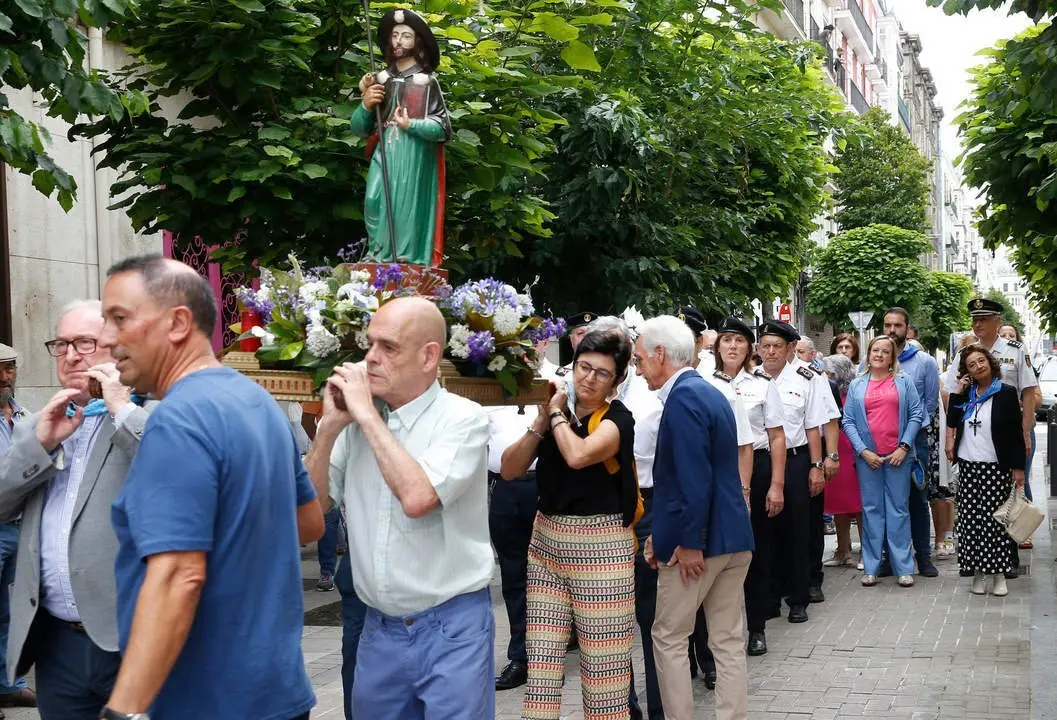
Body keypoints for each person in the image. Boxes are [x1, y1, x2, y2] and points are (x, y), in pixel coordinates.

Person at [100, 255, 324, 720]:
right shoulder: (256, 401)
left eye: (119, 318)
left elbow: (179, 574)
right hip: (275, 692)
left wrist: (123, 711)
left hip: (205, 700)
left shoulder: (178, 420)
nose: (107, 339)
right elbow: (309, 522)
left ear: (178, 322)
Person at [305, 296, 494, 719]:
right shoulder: (353, 424)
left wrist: (366, 418)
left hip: (452, 627)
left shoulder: (463, 418)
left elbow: (418, 498)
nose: (371, 359)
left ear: (429, 356)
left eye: (388, 348)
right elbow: (310, 518)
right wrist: (330, 427)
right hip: (379, 627)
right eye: (370, 345)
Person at [0, 304, 152, 719]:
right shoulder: (37, 425)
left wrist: (122, 410)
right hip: (55, 641)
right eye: (62, 344)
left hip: (131, 637)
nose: (71, 355)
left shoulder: (147, 415)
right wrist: (41, 446)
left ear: (118, 350)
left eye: (85, 343)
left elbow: (175, 476)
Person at [503, 329, 638, 720]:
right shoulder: (554, 414)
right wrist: (540, 421)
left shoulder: (618, 419)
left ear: (618, 379)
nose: (588, 379)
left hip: (602, 549)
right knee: (541, 672)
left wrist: (557, 414)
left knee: (604, 680)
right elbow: (511, 469)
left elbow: (579, 456)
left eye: (601, 373)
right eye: (583, 367)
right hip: (546, 543)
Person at [633, 315, 753, 720]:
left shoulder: (683, 398)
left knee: (667, 636)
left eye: (639, 359)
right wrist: (661, 537)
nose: (637, 368)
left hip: (702, 544)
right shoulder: (709, 391)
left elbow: (692, 481)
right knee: (727, 640)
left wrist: (688, 542)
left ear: (660, 354)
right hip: (733, 537)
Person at [945, 298, 1037, 578]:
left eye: (983, 319)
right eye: (975, 319)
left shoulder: (1015, 350)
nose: (978, 324)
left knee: (1006, 499)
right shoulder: (965, 352)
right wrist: (951, 435)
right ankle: (973, 559)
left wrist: (1025, 430)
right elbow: (952, 393)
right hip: (973, 438)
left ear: (998, 320)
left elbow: (1028, 391)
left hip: (1006, 436)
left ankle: (1008, 559)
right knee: (972, 504)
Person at [352, 8, 451, 265]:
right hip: (385, 150)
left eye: (406, 36)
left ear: (418, 43)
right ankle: (378, 253)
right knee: (374, 200)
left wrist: (412, 124)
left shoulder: (426, 82)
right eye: (395, 35)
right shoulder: (380, 79)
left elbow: (442, 129)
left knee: (406, 206)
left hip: (413, 156)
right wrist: (365, 104)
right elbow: (360, 129)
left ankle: (405, 258)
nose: (398, 41)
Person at [688, 313, 754, 688]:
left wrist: (742, 495)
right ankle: (691, 659)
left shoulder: (724, 390)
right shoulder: (661, 386)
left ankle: (711, 660)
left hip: (719, 495)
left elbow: (745, 447)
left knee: (713, 585)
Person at [488, 343, 558, 693]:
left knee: (548, 578)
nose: (529, 347)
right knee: (513, 576)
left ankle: (551, 652)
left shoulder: (556, 380)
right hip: (504, 488)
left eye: (536, 339)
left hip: (543, 487)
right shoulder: (491, 382)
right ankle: (521, 655)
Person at [716, 318, 787, 658]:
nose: (732, 346)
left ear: (749, 349)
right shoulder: (704, 382)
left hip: (755, 468)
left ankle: (756, 627)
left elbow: (776, 435)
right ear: (717, 346)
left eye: (739, 341)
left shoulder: (762, 385)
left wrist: (776, 485)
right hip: (716, 467)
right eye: (726, 340)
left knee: (755, 549)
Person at [758, 321, 831, 624]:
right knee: (766, 531)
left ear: (789, 349)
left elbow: (813, 426)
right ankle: (770, 596)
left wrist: (816, 467)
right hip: (762, 461)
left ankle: (799, 598)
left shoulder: (806, 378)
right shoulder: (752, 379)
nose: (771, 352)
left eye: (777, 346)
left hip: (797, 459)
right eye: (766, 346)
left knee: (798, 530)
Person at [841, 336, 926, 588]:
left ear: (892, 357)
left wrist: (904, 446)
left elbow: (916, 414)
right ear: (868, 354)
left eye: (885, 351)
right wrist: (863, 451)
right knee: (871, 512)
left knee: (898, 511)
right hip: (869, 459)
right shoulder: (857, 385)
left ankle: (903, 567)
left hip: (898, 457)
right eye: (875, 350)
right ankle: (871, 567)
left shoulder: (903, 381)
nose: (879, 354)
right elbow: (848, 421)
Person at [945, 344, 1026, 597]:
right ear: (966, 371)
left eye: (981, 361)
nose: (978, 366)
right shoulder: (967, 393)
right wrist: (958, 392)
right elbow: (952, 421)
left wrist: (1019, 467)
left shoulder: (1006, 392)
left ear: (990, 363)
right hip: (968, 465)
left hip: (995, 467)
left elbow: (1015, 433)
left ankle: (999, 574)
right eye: (971, 365)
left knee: (994, 523)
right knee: (970, 522)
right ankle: (977, 572)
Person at [882, 308, 940, 579]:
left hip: (914, 443)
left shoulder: (924, 362)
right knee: (884, 501)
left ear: (907, 328)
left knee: (917, 497)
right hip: (880, 442)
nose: (892, 330)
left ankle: (923, 556)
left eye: (897, 325)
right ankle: (887, 557)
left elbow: (929, 406)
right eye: (887, 325)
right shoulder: (874, 361)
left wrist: (908, 438)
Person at [0, 343, 35, 715]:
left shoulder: (25, 415)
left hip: (19, 527)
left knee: (10, 611)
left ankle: (8, 685)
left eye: (9, 368)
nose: (4, 376)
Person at [821, 354, 863, 570]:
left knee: (858, 503)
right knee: (838, 503)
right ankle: (842, 550)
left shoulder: (854, 393)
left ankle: (866, 551)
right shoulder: (826, 392)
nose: (826, 377)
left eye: (830, 373)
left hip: (850, 449)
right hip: (834, 450)